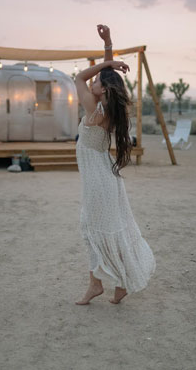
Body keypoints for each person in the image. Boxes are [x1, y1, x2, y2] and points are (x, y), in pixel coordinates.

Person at [75, 24, 156, 305]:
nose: (92, 81)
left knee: (92, 229)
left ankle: (95, 284)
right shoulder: (110, 109)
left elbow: (78, 76)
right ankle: (119, 284)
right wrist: (108, 44)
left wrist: (108, 62)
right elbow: (98, 77)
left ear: (103, 89)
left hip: (99, 181)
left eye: (97, 81)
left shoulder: (92, 108)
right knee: (106, 229)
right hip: (105, 178)